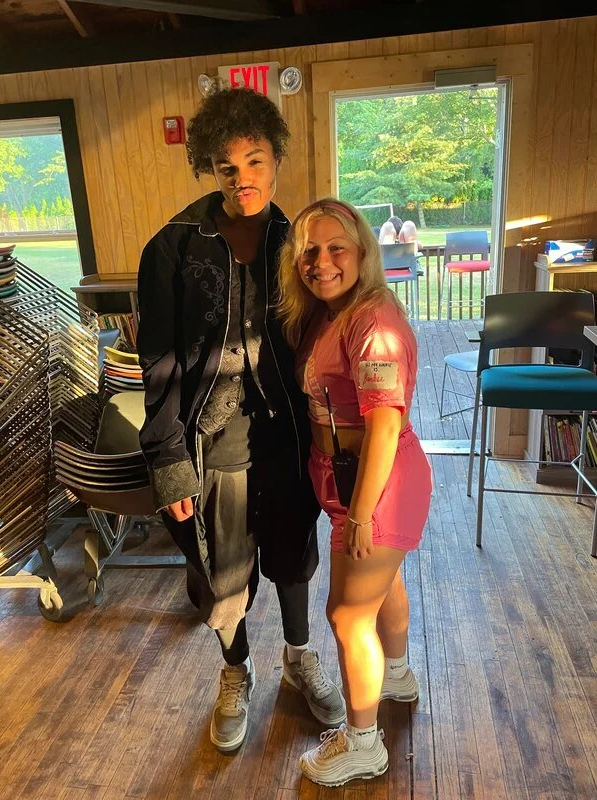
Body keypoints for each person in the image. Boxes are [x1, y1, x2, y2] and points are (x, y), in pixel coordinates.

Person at [136, 88, 345, 754]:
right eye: (227, 167)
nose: (243, 178)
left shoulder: (299, 242)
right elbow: (160, 364)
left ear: (275, 158)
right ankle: (235, 670)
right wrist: (168, 460)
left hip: (286, 437)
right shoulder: (170, 248)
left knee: (292, 557)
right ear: (209, 169)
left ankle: (299, 655)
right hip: (208, 440)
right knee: (219, 569)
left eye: (254, 161)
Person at [277, 198, 432, 786]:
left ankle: (363, 742)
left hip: (378, 481)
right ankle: (393, 675)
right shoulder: (331, 312)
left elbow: (386, 424)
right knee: (381, 584)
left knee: (346, 615)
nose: (321, 262)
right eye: (309, 252)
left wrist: (361, 515)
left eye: (335, 248)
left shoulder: (374, 322)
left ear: (363, 252)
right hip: (346, 475)